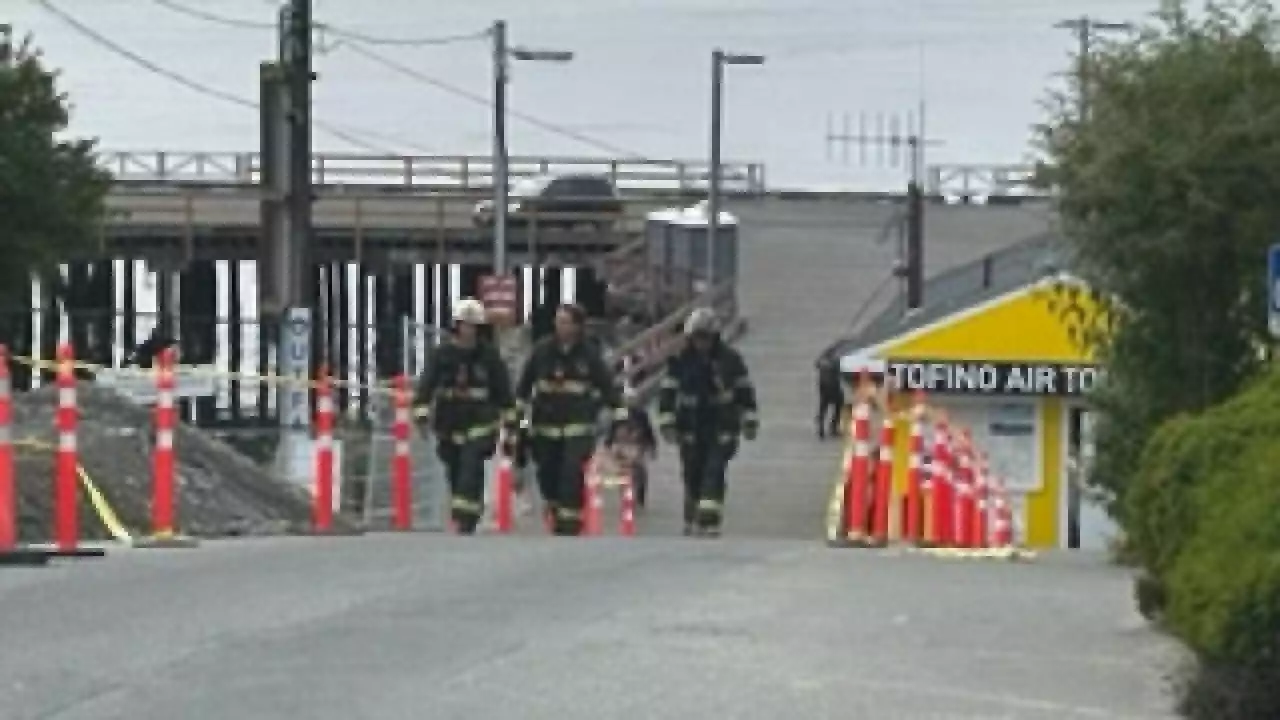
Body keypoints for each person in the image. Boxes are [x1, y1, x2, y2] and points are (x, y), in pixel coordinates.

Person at [515, 302, 626, 536]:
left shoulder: (589, 355)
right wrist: (516, 414)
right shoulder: (542, 351)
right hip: (545, 426)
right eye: (558, 321)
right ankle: (554, 507)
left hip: (578, 425)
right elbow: (524, 386)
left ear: (577, 327)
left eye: (565, 321)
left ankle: (570, 521)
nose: (559, 325)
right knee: (547, 473)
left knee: (572, 470)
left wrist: (620, 413)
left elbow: (607, 386)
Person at [412, 298, 517, 534]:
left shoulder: (489, 357)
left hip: (481, 421)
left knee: (471, 463)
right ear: (456, 326)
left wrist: (511, 426)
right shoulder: (442, 355)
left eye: (473, 326)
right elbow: (426, 386)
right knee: (455, 468)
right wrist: (421, 413)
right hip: (449, 421)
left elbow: (504, 393)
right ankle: (467, 507)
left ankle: (465, 518)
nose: (468, 330)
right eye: (464, 325)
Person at [656, 307, 759, 537]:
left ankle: (709, 520)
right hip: (690, 428)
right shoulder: (680, 361)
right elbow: (667, 394)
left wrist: (749, 420)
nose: (701, 343)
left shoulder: (730, 361)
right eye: (697, 337)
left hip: (721, 427)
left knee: (714, 471)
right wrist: (667, 423)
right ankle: (692, 515)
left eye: (705, 337)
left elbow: (745, 392)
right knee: (692, 473)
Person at [604, 386, 657, 509]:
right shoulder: (620, 413)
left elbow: (648, 430)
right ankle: (625, 495)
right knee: (623, 470)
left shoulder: (641, 414)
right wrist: (609, 444)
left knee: (640, 469)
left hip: (638, 445)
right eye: (626, 399)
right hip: (622, 445)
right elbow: (613, 429)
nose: (629, 401)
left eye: (631, 399)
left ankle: (640, 495)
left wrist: (652, 446)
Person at [815, 355, 843, 439]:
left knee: (823, 406)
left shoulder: (821, 361)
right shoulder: (836, 363)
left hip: (823, 387)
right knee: (839, 405)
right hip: (833, 387)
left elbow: (816, 364)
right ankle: (833, 427)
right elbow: (840, 373)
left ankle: (821, 425)